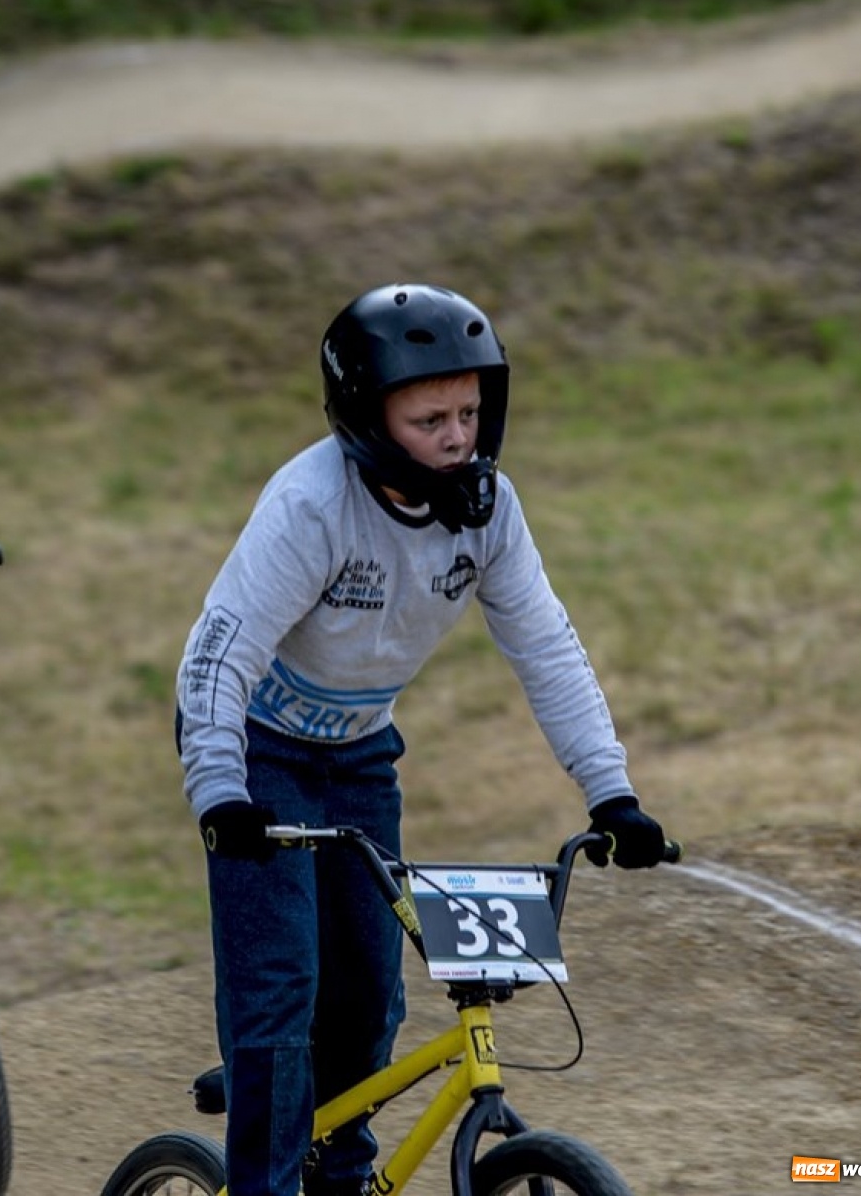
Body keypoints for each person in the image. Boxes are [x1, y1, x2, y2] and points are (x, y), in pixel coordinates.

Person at [174, 282, 671, 1196]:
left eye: (471, 412)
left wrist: (612, 794)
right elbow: (216, 653)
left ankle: (338, 1170)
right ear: (366, 417)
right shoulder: (311, 508)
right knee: (280, 994)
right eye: (430, 417)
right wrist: (220, 793)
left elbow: (546, 646)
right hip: (259, 754)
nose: (458, 437)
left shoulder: (489, 511)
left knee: (368, 1000)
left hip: (361, 754)